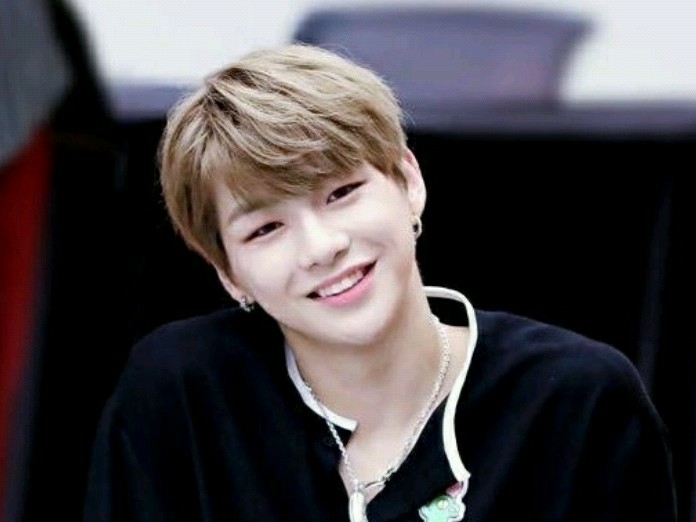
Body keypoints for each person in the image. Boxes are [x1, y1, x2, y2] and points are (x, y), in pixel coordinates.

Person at [83, 43, 677, 521]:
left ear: (407, 181)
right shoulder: (180, 393)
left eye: (341, 192)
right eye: (266, 228)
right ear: (228, 273)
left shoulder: (577, 401)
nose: (321, 247)